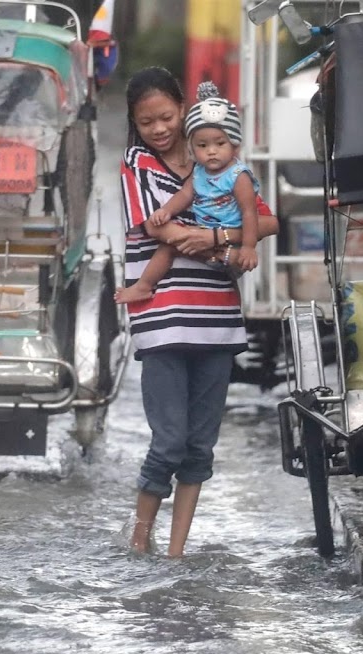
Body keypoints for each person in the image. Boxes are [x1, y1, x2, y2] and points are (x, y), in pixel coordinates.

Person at [120, 66, 278, 558]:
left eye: (166, 116)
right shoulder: (136, 164)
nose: (159, 129)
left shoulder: (219, 156)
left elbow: (269, 220)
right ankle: (139, 542)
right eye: (147, 122)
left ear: (182, 108)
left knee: (200, 449)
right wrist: (213, 236)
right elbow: (153, 228)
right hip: (162, 314)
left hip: (218, 317)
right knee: (168, 442)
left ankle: (175, 554)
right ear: (135, 124)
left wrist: (213, 237)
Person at [117, 82, 260, 304]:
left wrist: (245, 246)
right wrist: (165, 211)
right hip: (202, 239)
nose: (211, 151)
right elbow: (184, 196)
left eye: (219, 144)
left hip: (229, 247)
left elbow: (256, 216)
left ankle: (147, 283)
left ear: (234, 146)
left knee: (175, 244)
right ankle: (143, 286)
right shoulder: (200, 172)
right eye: (203, 145)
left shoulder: (237, 175)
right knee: (168, 248)